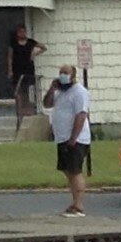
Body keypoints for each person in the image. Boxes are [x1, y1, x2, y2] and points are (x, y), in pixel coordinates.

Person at [43, 62, 91, 217]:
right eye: (60, 72)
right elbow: (47, 104)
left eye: (65, 73)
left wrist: (73, 137)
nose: (62, 75)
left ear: (73, 75)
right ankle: (74, 201)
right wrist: (52, 89)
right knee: (67, 170)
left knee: (75, 170)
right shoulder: (59, 91)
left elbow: (81, 115)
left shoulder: (79, 92)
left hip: (76, 139)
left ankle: (79, 206)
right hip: (61, 137)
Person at [6, 23, 44, 125]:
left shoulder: (31, 42)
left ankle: (27, 110)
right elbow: (10, 57)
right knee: (18, 91)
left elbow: (43, 47)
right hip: (17, 69)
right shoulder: (13, 44)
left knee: (27, 91)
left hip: (28, 69)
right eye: (20, 32)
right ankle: (19, 111)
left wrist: (35, 53)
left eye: (23, 31)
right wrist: (10, 71)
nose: (22, 34)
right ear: (17, 33)